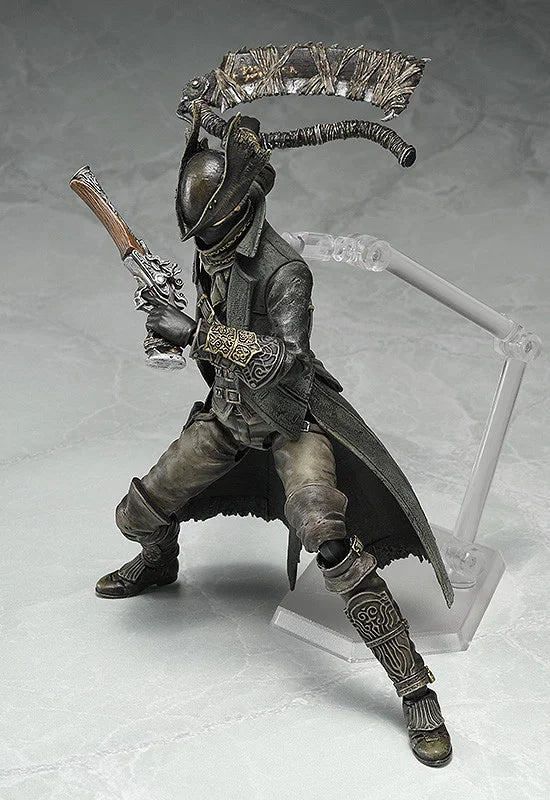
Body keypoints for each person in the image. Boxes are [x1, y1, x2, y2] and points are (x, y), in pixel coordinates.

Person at [96, 111, 454, 767]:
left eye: (211, 232)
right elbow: (208, 332)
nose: (203, 246)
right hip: (228, 416)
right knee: (135, 514)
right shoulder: (212, 254)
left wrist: (195, 334)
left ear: (240, 213)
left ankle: (414, 687)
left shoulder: (286, 271)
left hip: (292, 424)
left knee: (329, 536)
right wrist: (171, 336)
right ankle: (161, 560)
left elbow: (287, 361)